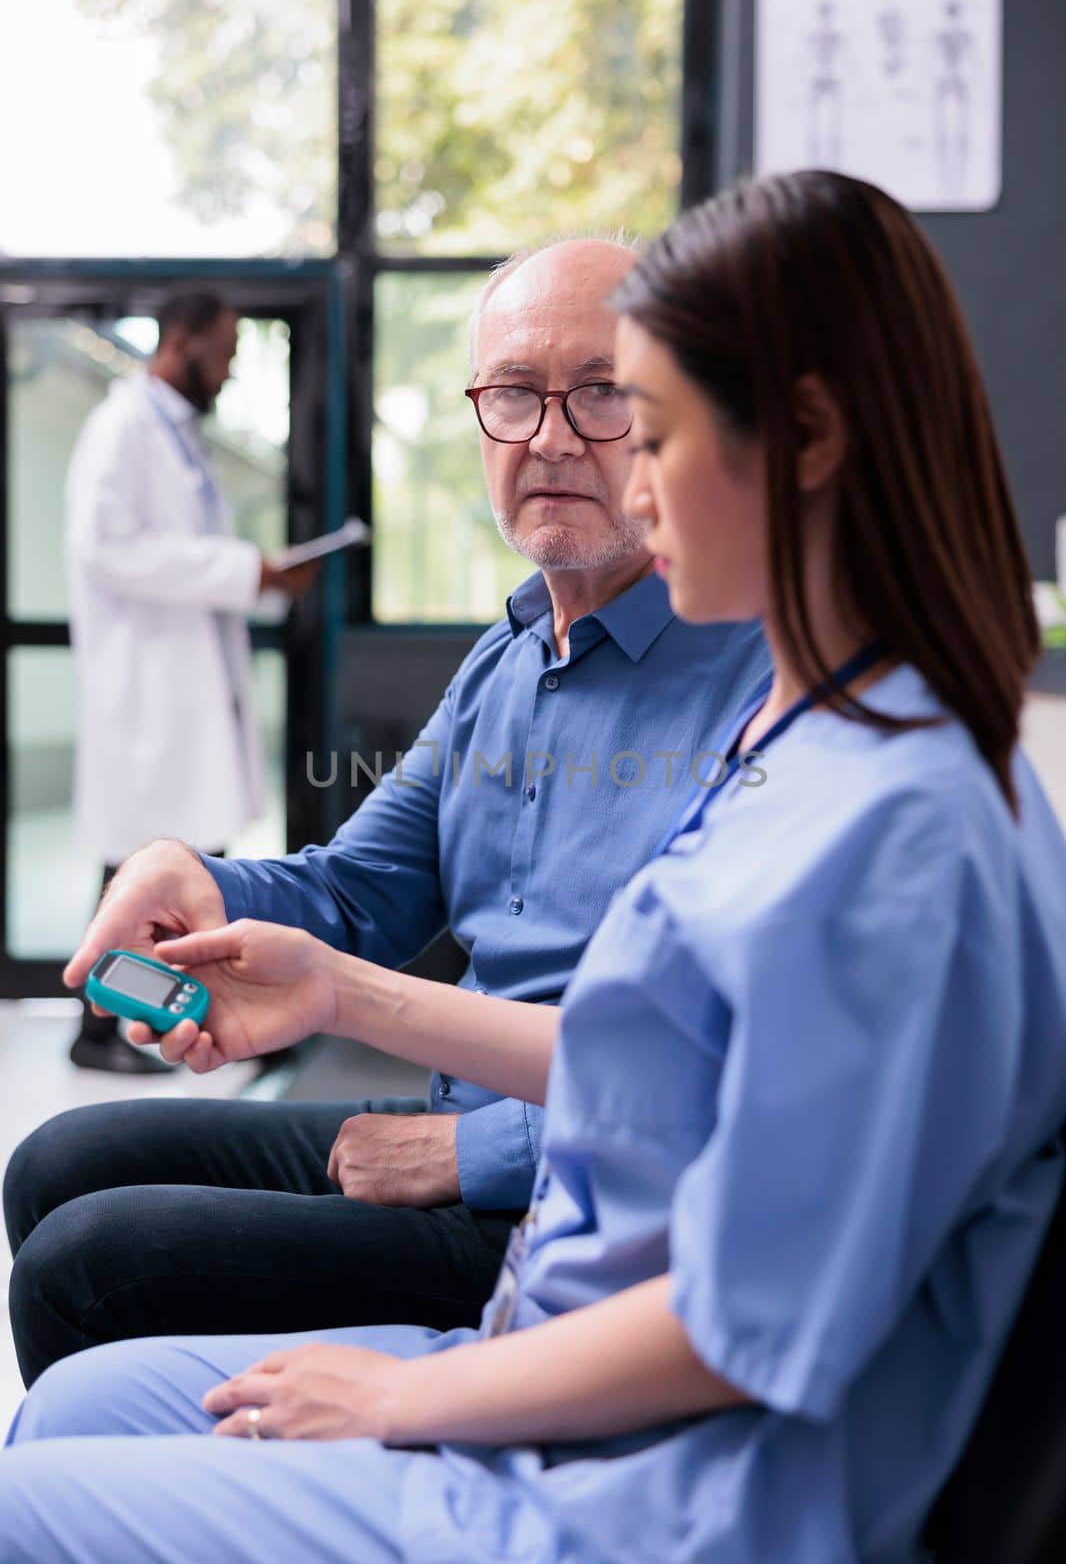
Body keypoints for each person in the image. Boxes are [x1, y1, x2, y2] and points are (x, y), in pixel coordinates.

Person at [3, 168, 1064, 1564]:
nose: (598, 462)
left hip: (621, 1478)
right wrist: (315, 975)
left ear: (799, 438)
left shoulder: (880, 817)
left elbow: (756, 1314)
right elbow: (646, 1041)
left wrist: (411, 1384)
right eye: (516, 397)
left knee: (50, 1424)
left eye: (638, 414)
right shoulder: (743, 715)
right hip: (558, 1338)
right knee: (71, 1371)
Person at [4, 239, 770, 1384]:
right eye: (513, 393)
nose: (550, 437)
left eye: (600, 392)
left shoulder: (761, 686)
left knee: (90, 1259)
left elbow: (747, 1069)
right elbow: (357, 890)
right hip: (461, 1114)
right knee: (58, 1160)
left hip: (585, 1193)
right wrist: (196, 880)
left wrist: (481, 1152)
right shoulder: (506, 662)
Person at [64, 289, 318, 1074]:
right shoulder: (121, 428)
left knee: (185, 860)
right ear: (183, 341)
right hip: (147, 691)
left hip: (182, 687)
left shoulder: (175, 434)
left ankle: (201, 1019)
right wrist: (249, 569)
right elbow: (107, 549)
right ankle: (100, 1030)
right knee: (143, 865)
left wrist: (253, 574)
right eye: (227, 352)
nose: (232, 370)